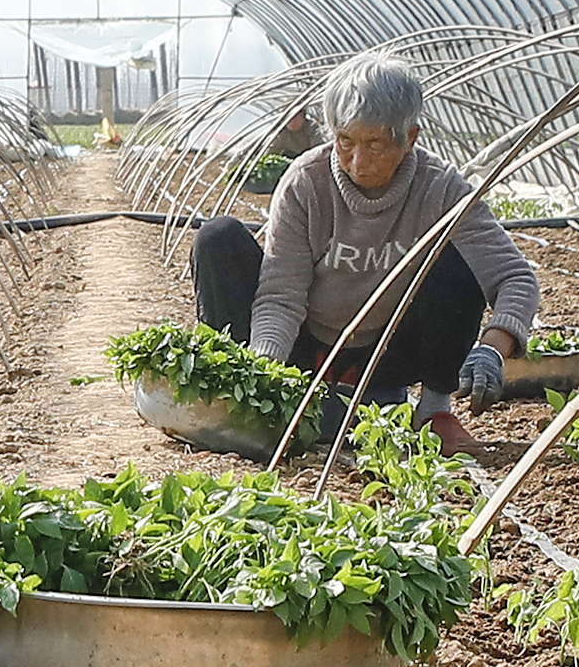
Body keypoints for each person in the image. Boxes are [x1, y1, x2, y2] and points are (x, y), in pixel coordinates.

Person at [190, 53, 542, 457]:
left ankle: (433, 412)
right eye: (345, 142)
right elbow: (280, 295)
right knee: (218, 238)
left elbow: (514, 277)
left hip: (388, 350)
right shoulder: (307, 183)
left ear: (409, 137)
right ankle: (247, 405)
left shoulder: (439, 188)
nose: (358, 161)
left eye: (375, 144)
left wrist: (492, 349)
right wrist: (266, 376)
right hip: (306, 347)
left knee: (457, 256)